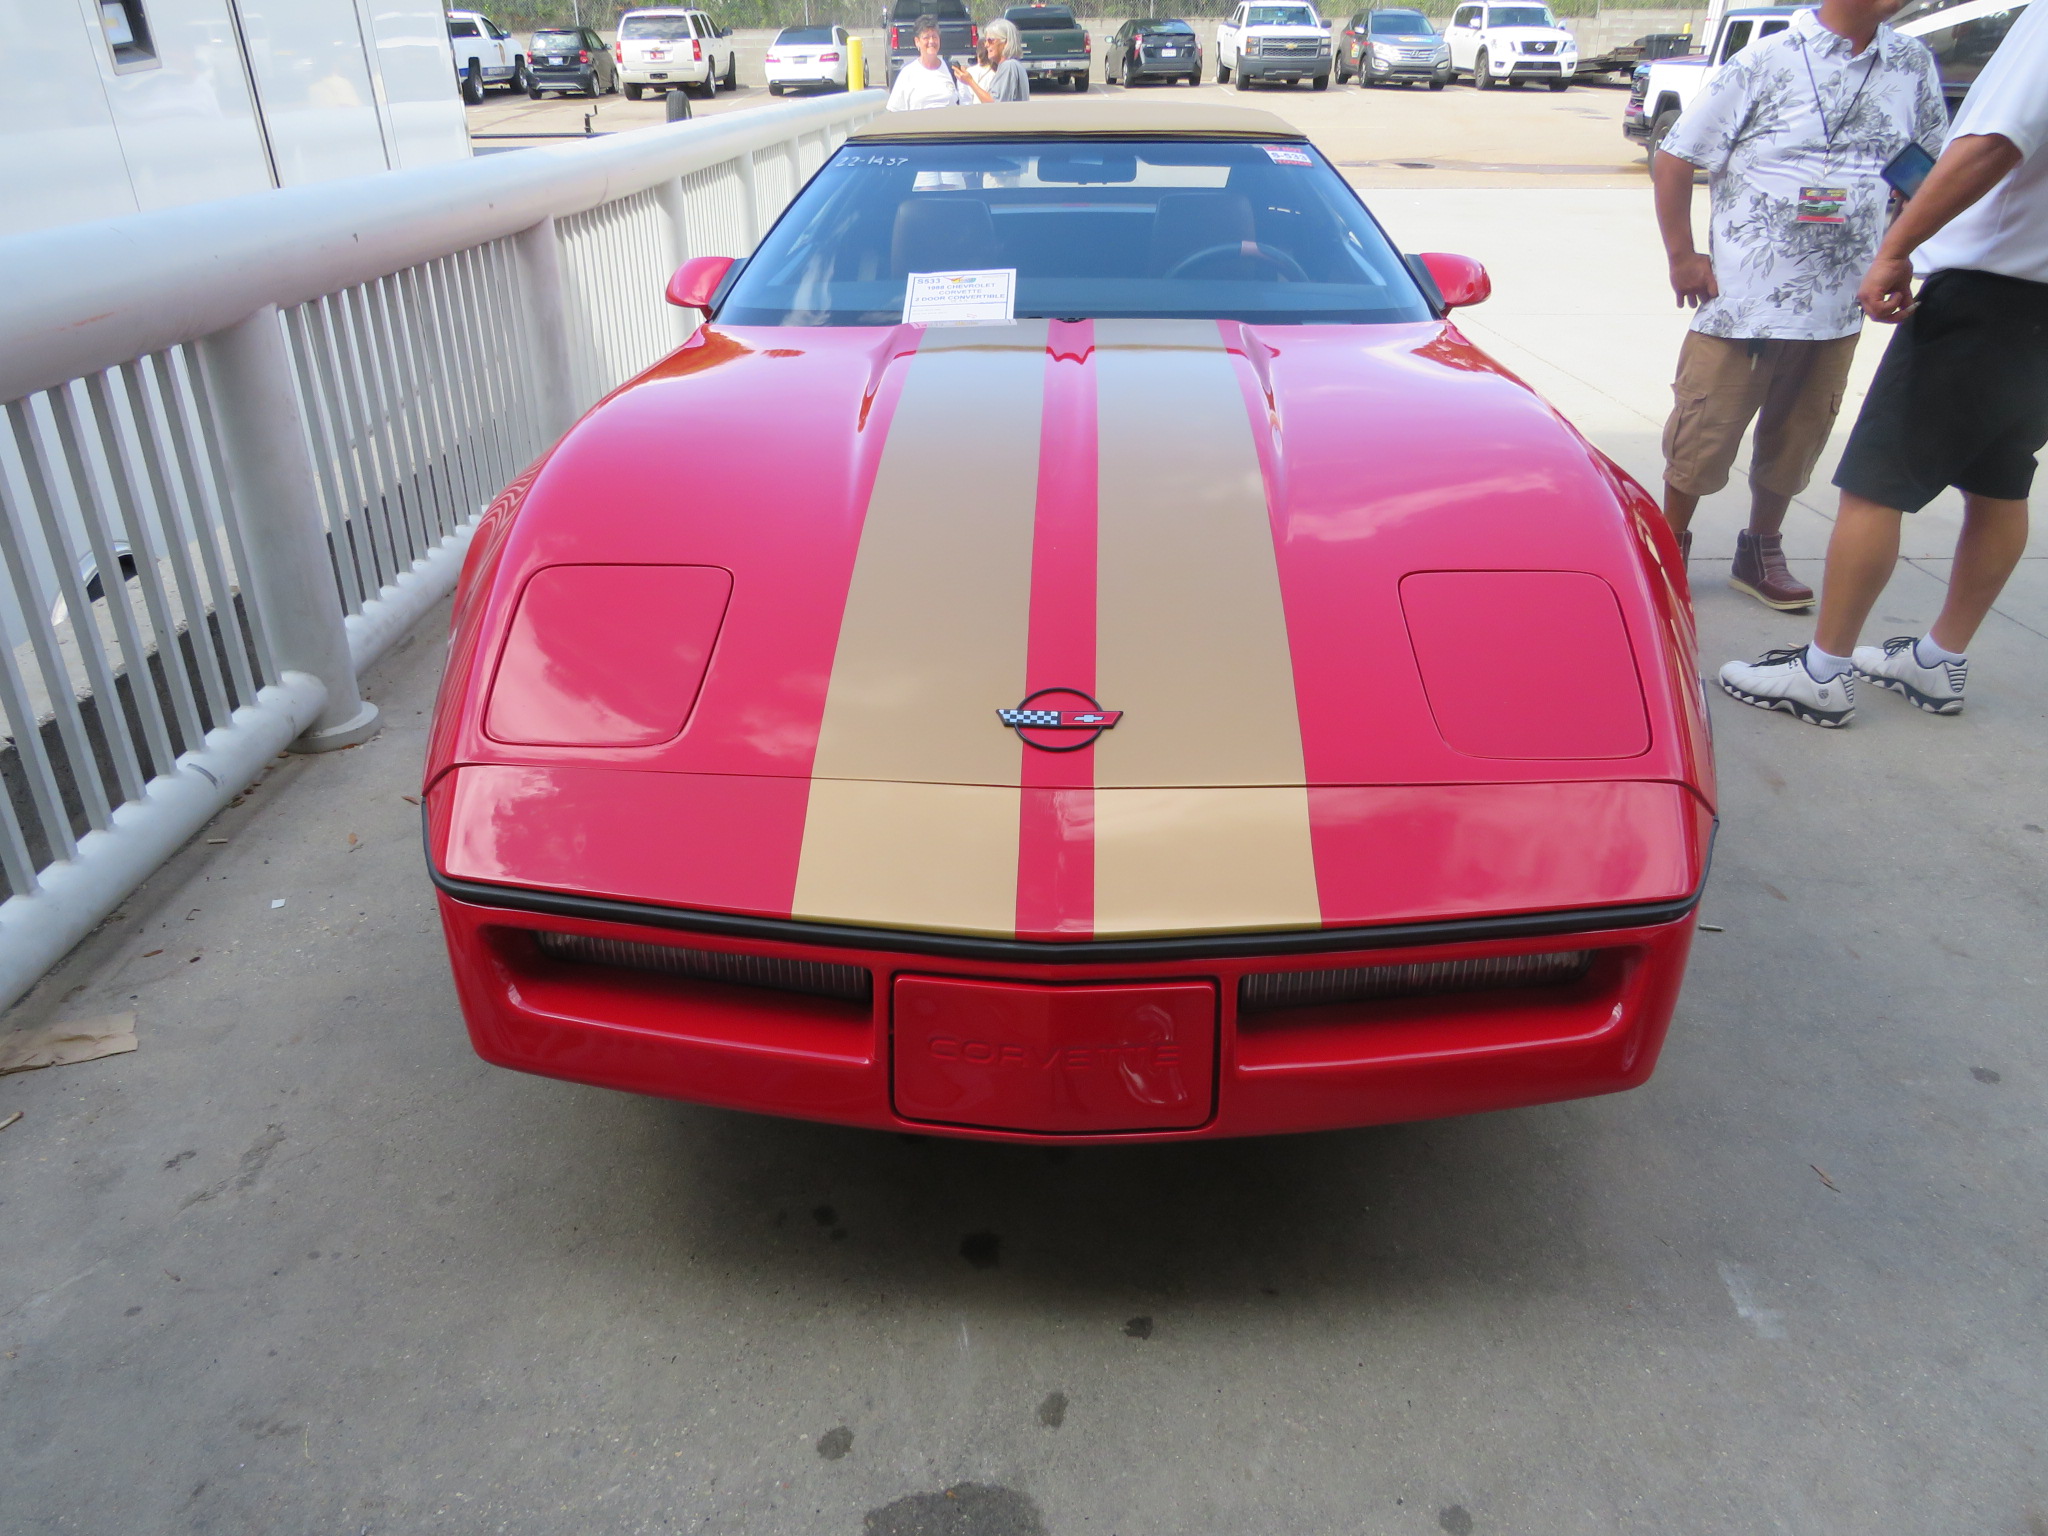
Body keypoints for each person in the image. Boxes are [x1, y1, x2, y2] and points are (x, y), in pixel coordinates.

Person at [1719, 1, 2048, 725]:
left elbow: (1995, 141)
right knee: (1999, 482)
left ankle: (1825, 673)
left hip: (1986, 293)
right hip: (2040, 302)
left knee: (1876, 485)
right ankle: (1938, 661)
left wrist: (1897, 248)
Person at [1651, 0, 1945, 612]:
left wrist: (1902, 252)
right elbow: (1677, 154)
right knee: (1703, 433)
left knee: (1799, 435)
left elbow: (1926, 171)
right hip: (1743, 301)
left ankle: (1759, 548)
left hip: (1838, 301)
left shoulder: (1911, 62)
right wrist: (1682, 256)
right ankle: (1668, 546)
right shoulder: (1766, 59)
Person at [887, 15, 975, 110]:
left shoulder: (954, 71)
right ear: (917, 42)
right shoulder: (907, 74)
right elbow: (895, 111)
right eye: (926, 37)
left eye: (934, 37)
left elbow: (967, 107)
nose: (931, 41)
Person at [962, 18, 1031, 102]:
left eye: (991, 41)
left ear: (1006, 42)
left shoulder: (1008, 66)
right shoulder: (1015, 65)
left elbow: (994, 104)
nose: (986, 45)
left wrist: (970, 81)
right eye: (986, 41)